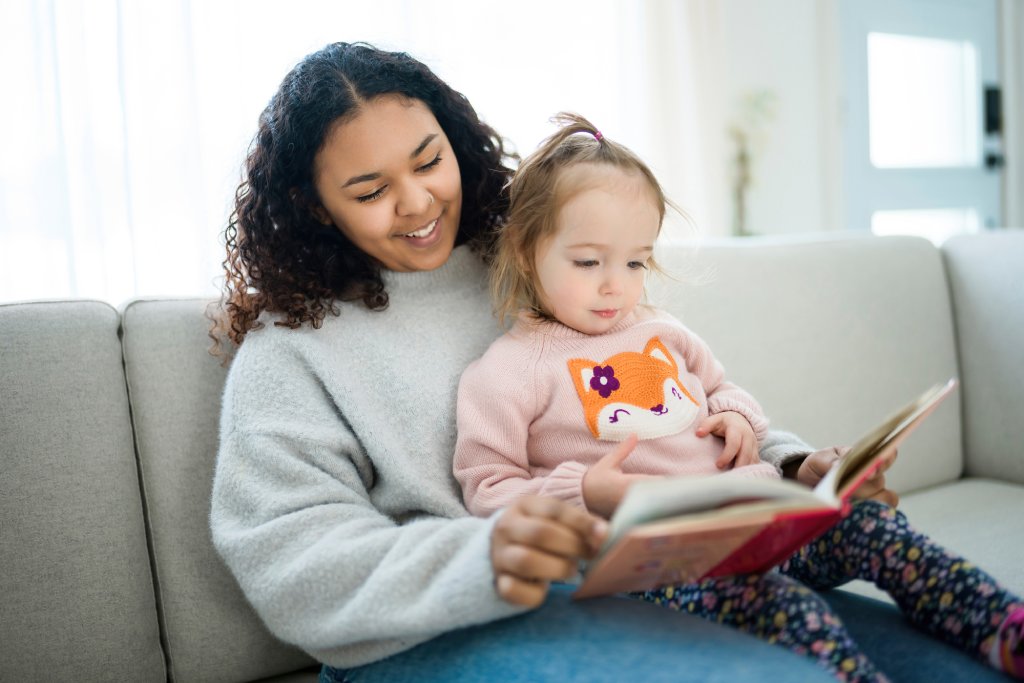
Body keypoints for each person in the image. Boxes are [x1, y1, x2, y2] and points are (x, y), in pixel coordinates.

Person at [208, 42, 1021, 683]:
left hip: (650, 564)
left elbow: (676, 397)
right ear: (315, 202)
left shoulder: (540, 260)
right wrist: (486, 553)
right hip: (424, 636)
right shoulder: (293, 349)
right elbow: (290, 561)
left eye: (428, 161)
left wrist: (791, 465)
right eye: (369, 188)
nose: (418, 202)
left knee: (950, 666)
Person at [453, 112, 1024, 682]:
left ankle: (999, 628)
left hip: (756, 517)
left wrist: (734, 416)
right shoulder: (506, 372)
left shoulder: (660, 330)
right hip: (661, 567)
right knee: (792, 613)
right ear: (527, 251)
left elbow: (720, 387)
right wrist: (582, 490)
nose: (616, 284)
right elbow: (486, 488)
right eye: (588, 262)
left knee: (877, 527)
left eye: (635, 261)